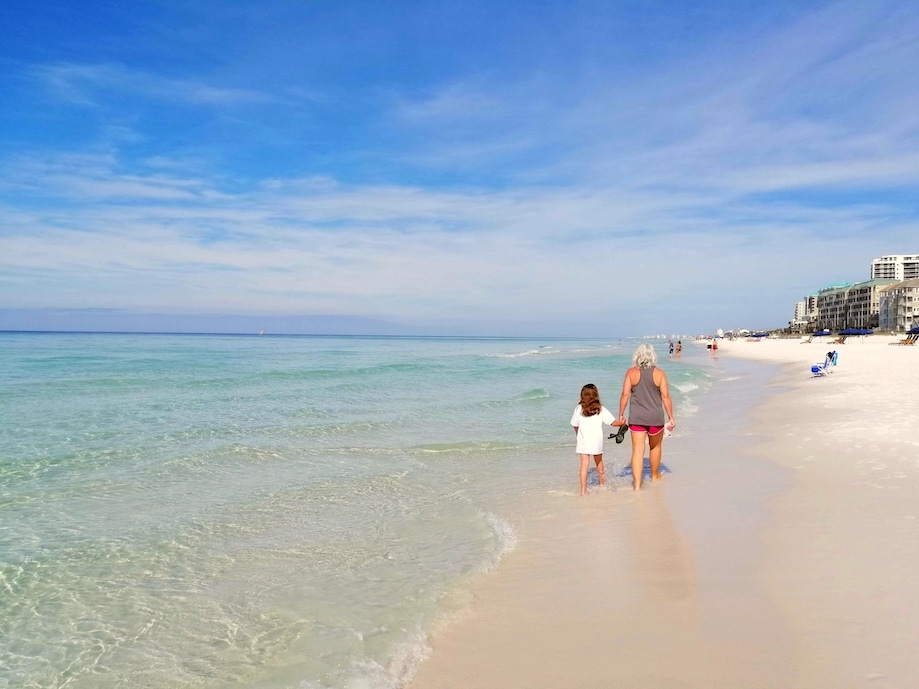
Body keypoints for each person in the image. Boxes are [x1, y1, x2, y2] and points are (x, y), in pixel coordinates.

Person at [618, 344, 675, 490]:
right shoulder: (660, 374)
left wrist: (621, 414)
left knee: (638, 450)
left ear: (638, 355)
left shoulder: (631, 373)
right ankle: (655, 476)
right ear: (653, 356)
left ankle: (637, 485)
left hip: (637, 418)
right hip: (655, 418)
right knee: (655, 447)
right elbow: (665, 396)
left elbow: (625, 394)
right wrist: (671, 417)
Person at [570, 383, 621, 496]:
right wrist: (622, 423)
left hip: (583, 441)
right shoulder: (600, 409)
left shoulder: (579, 409)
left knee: (584, 465)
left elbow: (574, 424)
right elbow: (612, 423)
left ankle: (583, 490)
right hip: (596, 441)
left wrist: (577, 434)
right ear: (596, 395)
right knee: (599, 463)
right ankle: (602, 485)